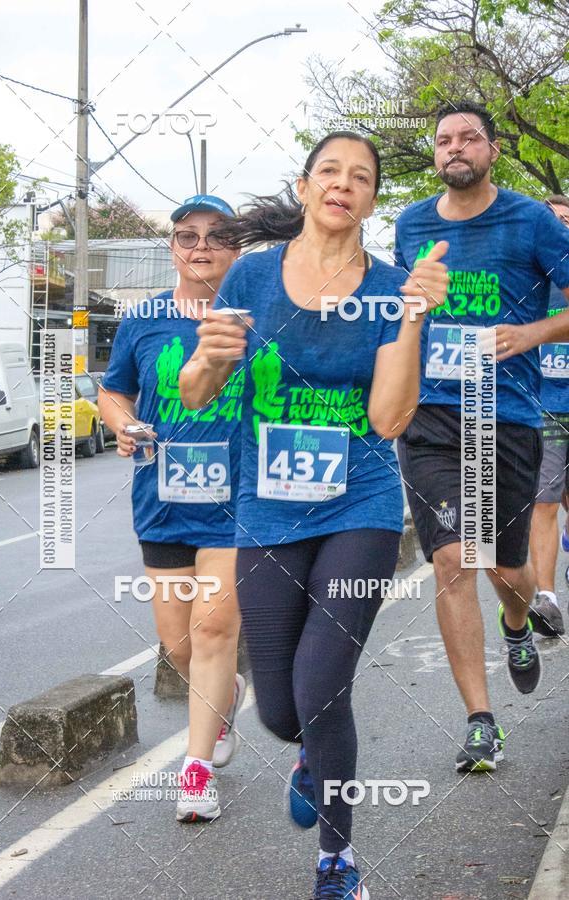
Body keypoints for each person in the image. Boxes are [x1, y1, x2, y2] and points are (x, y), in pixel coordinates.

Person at [179, 132, 449, 900]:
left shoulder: (393, 288)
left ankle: (338, 859)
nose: (343, 184)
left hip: (357, 504)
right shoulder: (254, 275)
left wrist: (410, 322)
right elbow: (198, 391)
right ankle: (308, 755)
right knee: (280, 709)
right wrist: (212, 356)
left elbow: (391, 418)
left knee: (324, 685)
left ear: (368, 200)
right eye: (329, 171)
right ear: (305, 188)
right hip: (267, 508)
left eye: (360, 177)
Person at [394, 101, 569, 774]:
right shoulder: (410, 226)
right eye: (444, 140)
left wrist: (529, 333)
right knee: (451, 559)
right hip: (432, 414)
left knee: (504, 563)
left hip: (509, 415)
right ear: (435, 154)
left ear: (492, 150)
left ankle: (518, 623)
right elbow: (400, 312)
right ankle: (480, 722)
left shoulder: (529, 220)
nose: (454, 147)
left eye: (469, 137)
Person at [98, 194, 245, 823]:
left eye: (216, 236)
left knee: (214, 630)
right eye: (188, 236)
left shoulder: (260, 315)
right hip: (163, 500)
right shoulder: (144, 319)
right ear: (173, 247)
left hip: (242, 502)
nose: (201, 246)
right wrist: (124, 424)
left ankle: (195, 771)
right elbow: (112, 392)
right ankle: (227, 695)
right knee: (178, 645)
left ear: (236, 249)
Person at [528, 196, 569, 635]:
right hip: (544, 409)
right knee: (543, 501)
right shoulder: (528, 282)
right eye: (553, 221)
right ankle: (547, 599)